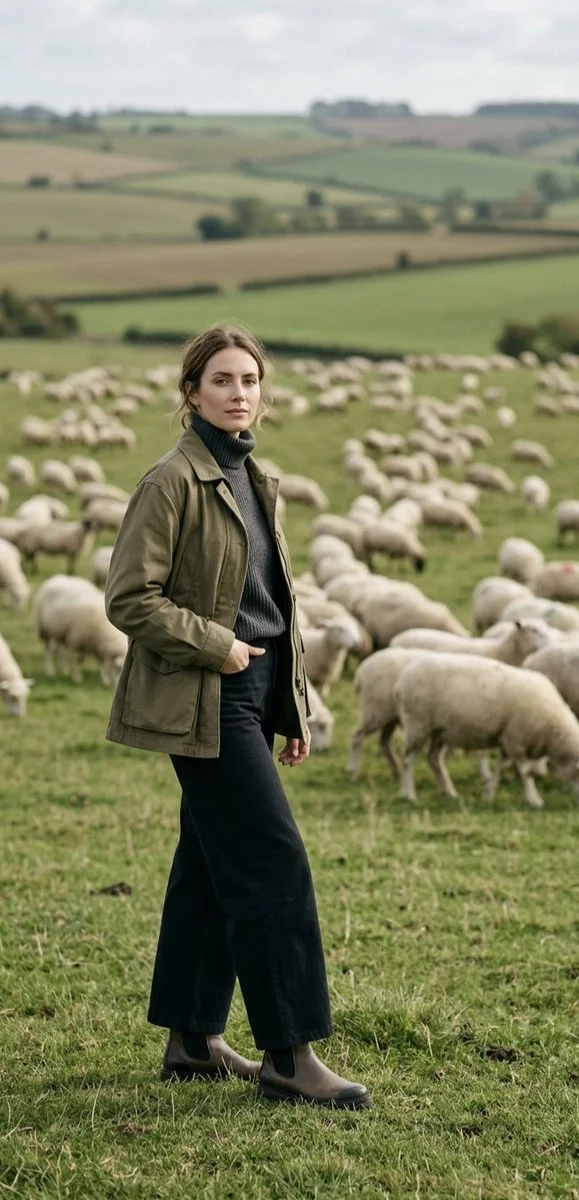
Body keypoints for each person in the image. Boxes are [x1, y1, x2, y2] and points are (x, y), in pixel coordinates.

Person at [104, 324, 370, 1109]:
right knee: (270, 863)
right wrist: (215, 648)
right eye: (221, 380)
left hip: (250, 689)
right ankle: (290, 1055)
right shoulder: (171, 482)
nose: (238, 392)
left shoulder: (255, 478)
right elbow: (128, 599)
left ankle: (191, 1039)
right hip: (204, 689)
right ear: (191, 394)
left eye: (249, 380)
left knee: (212, 865)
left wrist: (292, 704)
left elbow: (270, 608)